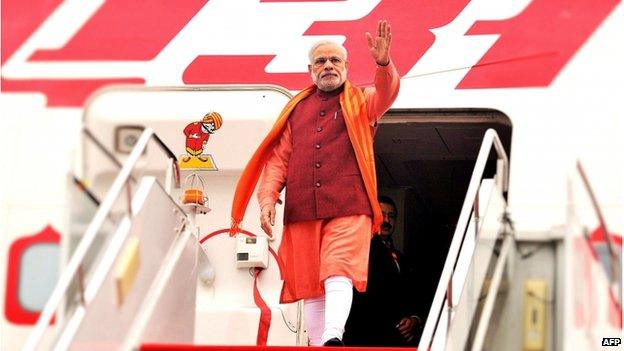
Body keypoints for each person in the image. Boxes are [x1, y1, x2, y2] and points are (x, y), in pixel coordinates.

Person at [230, 20, 400, 346]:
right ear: (311, 70)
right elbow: (279, 160)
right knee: (310, 281)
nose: (328, 66)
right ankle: (318, 343)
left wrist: (383, 63)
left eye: (335, 60)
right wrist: (267, 200)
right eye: (321, 61)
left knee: (339, 269)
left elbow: (387, 93)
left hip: (349, 203)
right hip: (303, 208)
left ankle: (333, 336)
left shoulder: (362, 101)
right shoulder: (296, 110)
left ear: (347, 67)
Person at [343, 195, 422, 346]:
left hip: (396, 341)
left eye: (391, 216)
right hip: (365, 339)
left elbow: (413, 294)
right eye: (381, 214)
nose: (386, 220)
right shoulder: (359, 249)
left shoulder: (401, 258)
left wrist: (413, 319)